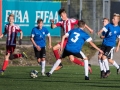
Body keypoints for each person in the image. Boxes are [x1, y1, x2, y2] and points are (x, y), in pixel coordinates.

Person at [98, 13, 120, 78]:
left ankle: (107, 70)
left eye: (114, 19)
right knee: (100, 56)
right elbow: (103, 29)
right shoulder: (109, 25)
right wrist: (100, 31)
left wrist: (118, 47)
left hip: (110, 45)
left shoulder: (119, 29)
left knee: (105, 57)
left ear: (117, 20)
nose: (112, 20)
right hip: (104, 44)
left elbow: (119, 39)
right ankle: (103, 71)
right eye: (112, 18)